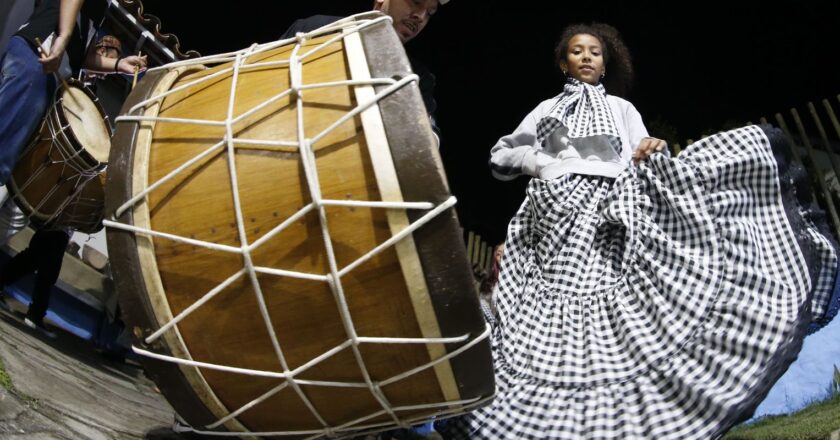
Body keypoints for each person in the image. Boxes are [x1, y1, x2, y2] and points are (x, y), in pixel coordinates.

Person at [445, 23, 840, 439]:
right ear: (564, 62)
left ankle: (629, 420)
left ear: (605, 62)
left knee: (619, 311)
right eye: (577, 51)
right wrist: (544, 164)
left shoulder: (621, 108)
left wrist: (652, 147)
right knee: (554, 320)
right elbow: (501, 155)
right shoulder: (546, 110)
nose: (586, 57)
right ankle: (552, 422)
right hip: (555, 217)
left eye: (595, 52)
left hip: (611, 211)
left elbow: (640, 150)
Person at [0, 0, 146, 186]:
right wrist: (63, 37)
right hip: (39, 57)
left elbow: (80, 55)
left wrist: (118, 65)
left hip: (43, 64)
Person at [280, 0, 447, 141]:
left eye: (430, 13)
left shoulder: (417, 78)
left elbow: (428, 143)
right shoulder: (316, 29)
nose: (421, 17)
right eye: (416, 2)